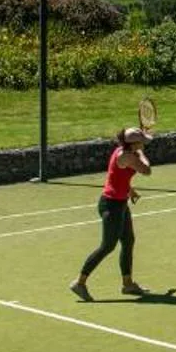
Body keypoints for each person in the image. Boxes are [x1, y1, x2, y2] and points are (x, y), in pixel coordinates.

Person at [71, 125, 152, 300]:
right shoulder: (126, 155)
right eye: (141, 142)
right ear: (133, 144)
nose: (144, 144)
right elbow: (146, 170)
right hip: (111, 206)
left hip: (120, 203)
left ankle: (127, 284)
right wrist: (142, 154)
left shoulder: (124, 152)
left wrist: (129, 190)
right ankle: (79, 282)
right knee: (107, 246)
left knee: (128, 240)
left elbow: (117, 177)